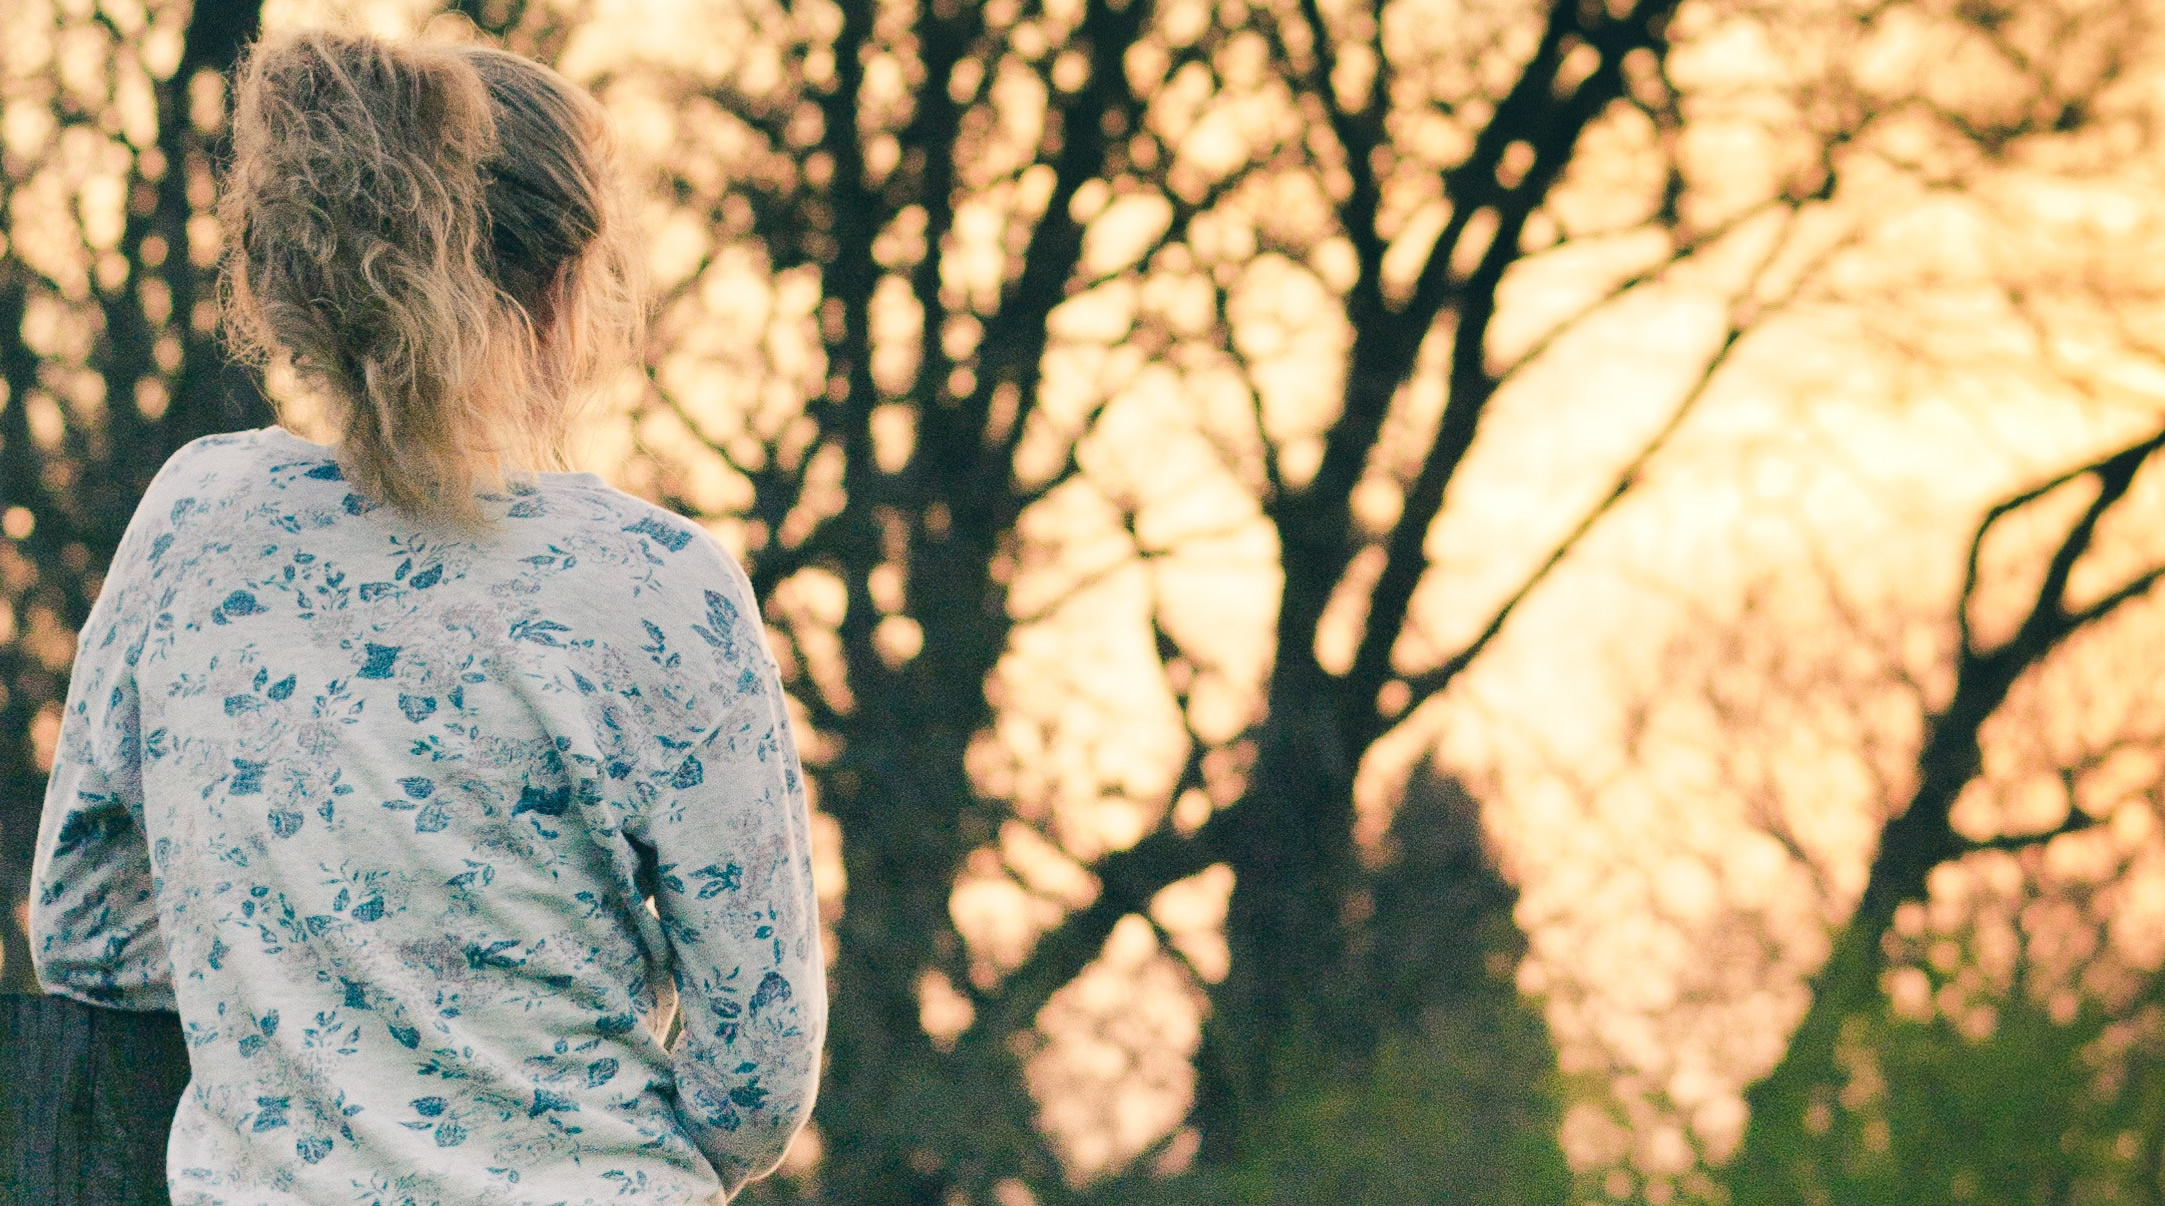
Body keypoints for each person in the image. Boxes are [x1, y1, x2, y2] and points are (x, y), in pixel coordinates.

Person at [27, 29, 824, 1206]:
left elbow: (87, 929)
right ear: (564, 280)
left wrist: (297, 995)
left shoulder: (197, 522)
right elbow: (755, 1077)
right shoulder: (658, 584)